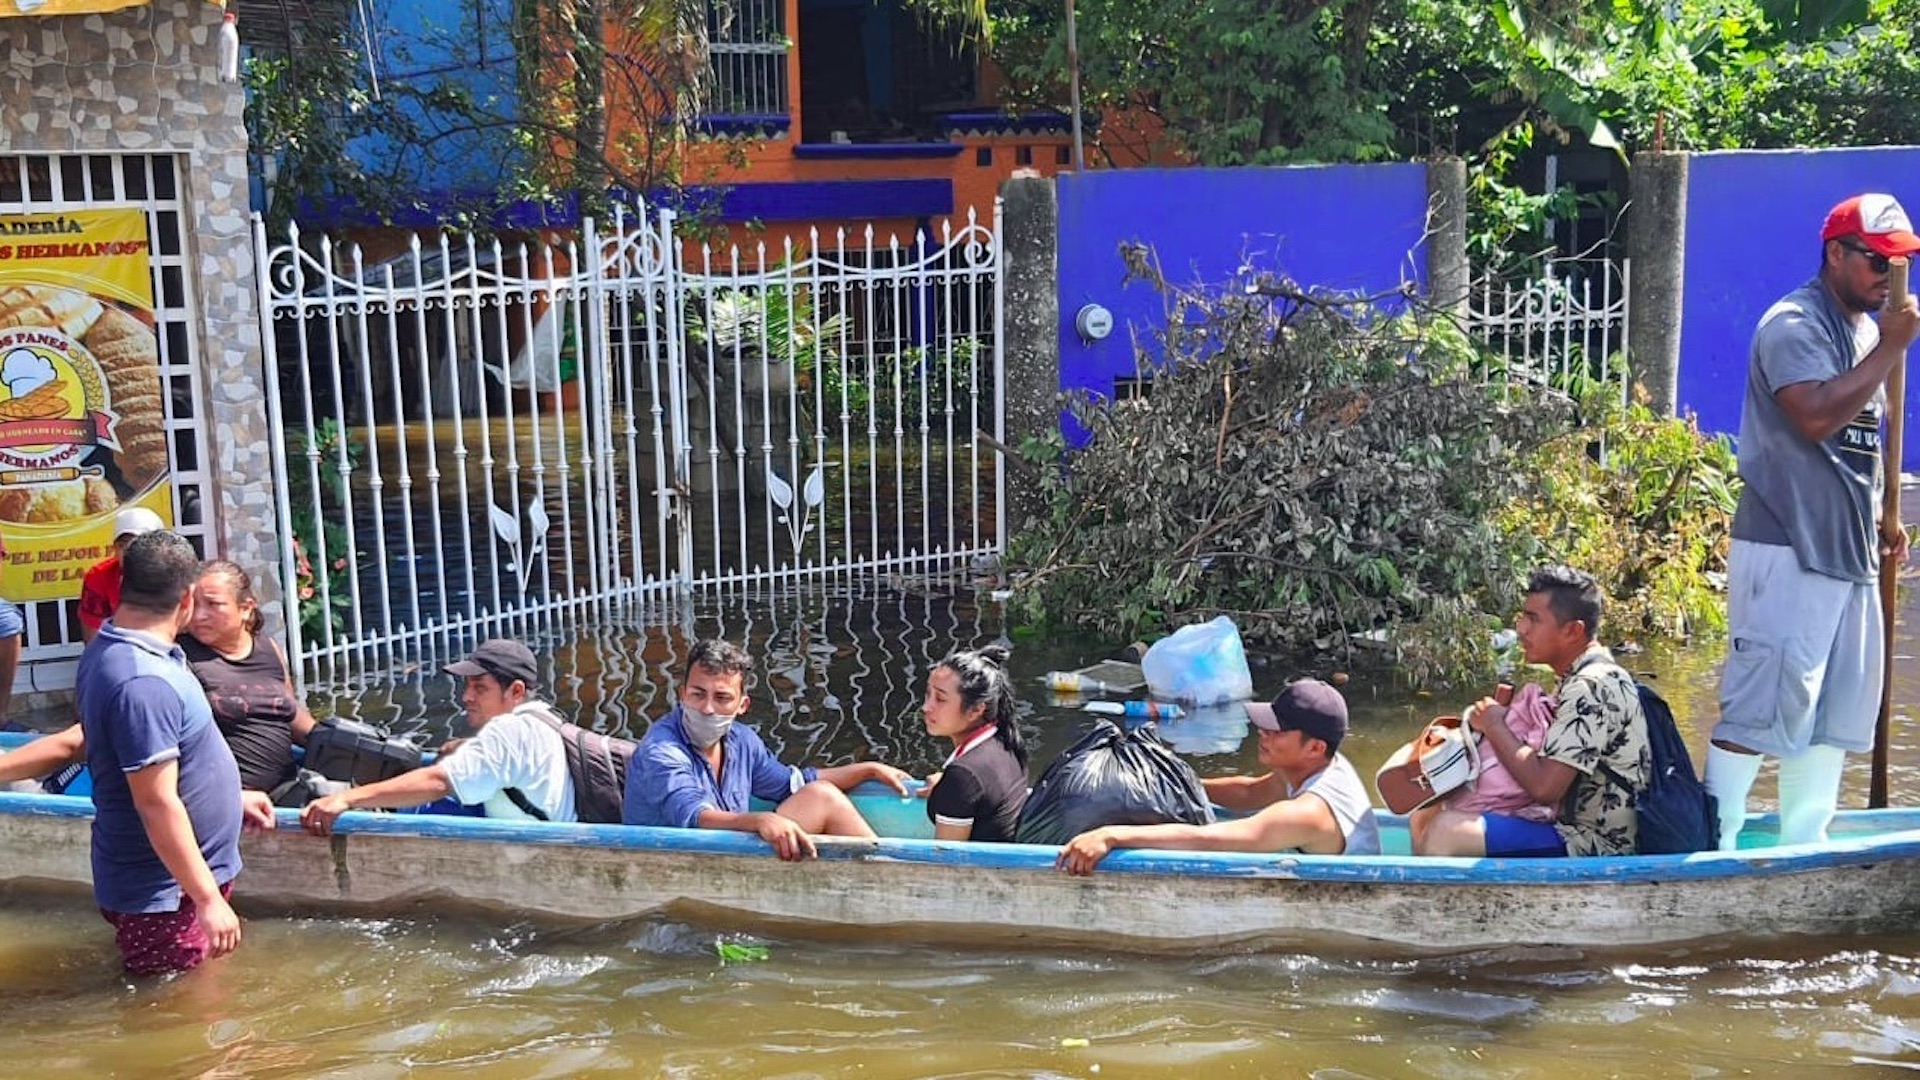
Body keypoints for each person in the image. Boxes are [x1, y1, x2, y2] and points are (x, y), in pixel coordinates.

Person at [1707, 193, 1920, 850]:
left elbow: (1861, 447)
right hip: (1787, 549)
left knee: (1834, 717)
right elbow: (1817, 416)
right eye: (1878, 261)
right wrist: (1892, 348)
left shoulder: (1868, 333)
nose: (1889, 277)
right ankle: (1713, 843)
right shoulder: (1792, 324)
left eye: (1901, 264)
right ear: (1835, 254)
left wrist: (1885, 516)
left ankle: (1805, 848)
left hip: (1850, 555)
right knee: (1759, 709)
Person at [78, 530, 274, 975]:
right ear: (186, 599)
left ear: (123, 584)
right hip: (167, 892)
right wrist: (207, 898)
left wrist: (229, 797)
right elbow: (155, 802)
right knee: (181, 1007)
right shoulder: (141, 681)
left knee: (200, 993)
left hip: (177, 884)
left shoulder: (127, 647)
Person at [1410, 566, 1649, 858]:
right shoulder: (1582, 674)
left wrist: (1495, 726)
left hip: (1595, 843)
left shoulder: (1590, 686)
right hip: (1562, 823)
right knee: (1427, 808)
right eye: (1523, 616)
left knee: (1446, 832)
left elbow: (1546, 788)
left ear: (1573, 631)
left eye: (1534, 619)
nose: (1522, 629)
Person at [622, 638, 913, 860]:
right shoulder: (662, 751)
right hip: (680, 862)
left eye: (722, 698)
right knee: (820, 798)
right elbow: (696, 818)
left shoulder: (741, 741)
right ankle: (890, 878)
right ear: (682, 694)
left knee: (820, 795)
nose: (707, 708)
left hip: (726, 856)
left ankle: (888, 872)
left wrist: (867, 770)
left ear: (742, 705)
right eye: (698, 695)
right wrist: (760, 820)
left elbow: (792, 783)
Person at [1055, 677, 1381, 874]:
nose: (1263, 732)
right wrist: (1176, 783)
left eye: (1277, 730)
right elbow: (1250, 793)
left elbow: (1211, 840)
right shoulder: (1318, 766)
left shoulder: (1309, 813)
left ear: (1315, 747)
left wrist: (1112, 835)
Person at [300, 638, 574, 833]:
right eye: (467, 686)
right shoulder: (546, 719)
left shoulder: (507, 731)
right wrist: (469, 747)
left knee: (424, 804)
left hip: (528, 858)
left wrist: (348, 799)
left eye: (480, 688)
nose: (466, 697)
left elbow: (437, 781)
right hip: (545, 841)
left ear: (516, 691)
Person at [181, 560, 318, 801]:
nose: (199, 615)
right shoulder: (181, 657)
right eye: (193, 604)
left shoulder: (269, 649)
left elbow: (292, 716)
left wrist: (342, 741)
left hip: (285, 791)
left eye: (213, 604)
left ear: (246, 608)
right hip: (228, 801)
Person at [917, 645, 1028, 842]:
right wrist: (945, 789)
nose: (926, 707)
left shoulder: (963, 775)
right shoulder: (1006, 743)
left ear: (976, 710)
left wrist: (953, 787)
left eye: (940, 699)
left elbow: (947, 858)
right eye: (928, 694)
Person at [78, 505, 165, 642]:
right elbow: (94, 640)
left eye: (138, 544)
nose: (128, 551)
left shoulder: (176, 575)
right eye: (122, 545)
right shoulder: (99, 576)